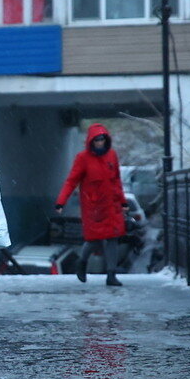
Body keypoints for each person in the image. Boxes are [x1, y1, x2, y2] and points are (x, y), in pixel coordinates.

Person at [54, 123, 127, 287]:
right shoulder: (83, 159)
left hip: (112, 206)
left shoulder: (112, 156)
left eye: (102, 139)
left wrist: (123, 201)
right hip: (94, 208)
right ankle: (82, 261)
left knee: (113, 239)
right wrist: (61, 202)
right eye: (97, 140)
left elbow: (116, 181)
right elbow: (71, 181)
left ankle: (111, 274)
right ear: (91, 141)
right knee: (95, 240)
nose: (100, 142)